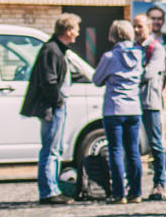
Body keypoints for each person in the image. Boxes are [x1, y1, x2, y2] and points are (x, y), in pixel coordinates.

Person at [20, 13, 81, 205]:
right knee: (51, 149)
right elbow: (49, 80)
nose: (78, 34)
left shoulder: (56, 49)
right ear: (68, 30)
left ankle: (52, 188)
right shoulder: (52, 50)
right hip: (53, 107)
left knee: (55, 148)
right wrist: (58, 101)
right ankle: (49, 191)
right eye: (76, 30)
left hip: (56, 106)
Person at [92, 19, 145, 204]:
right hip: (134, 108)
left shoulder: (109, 57)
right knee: (133, 151)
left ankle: (118, 193)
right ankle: (136, 192)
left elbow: (96, 79)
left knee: (115, 150)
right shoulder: (140, 55)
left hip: (114, 108)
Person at [132, 13, 166, 200]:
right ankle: (133, 186)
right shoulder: (132, 47)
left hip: (150, 102)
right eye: (134, 26)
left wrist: (128, 77)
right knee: (133, 146)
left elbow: (148, 73)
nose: (137, 30)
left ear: (148, 27)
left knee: (155, 144)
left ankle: (159, 183)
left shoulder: (156, 49)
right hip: (131, 103)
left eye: (140, 26)